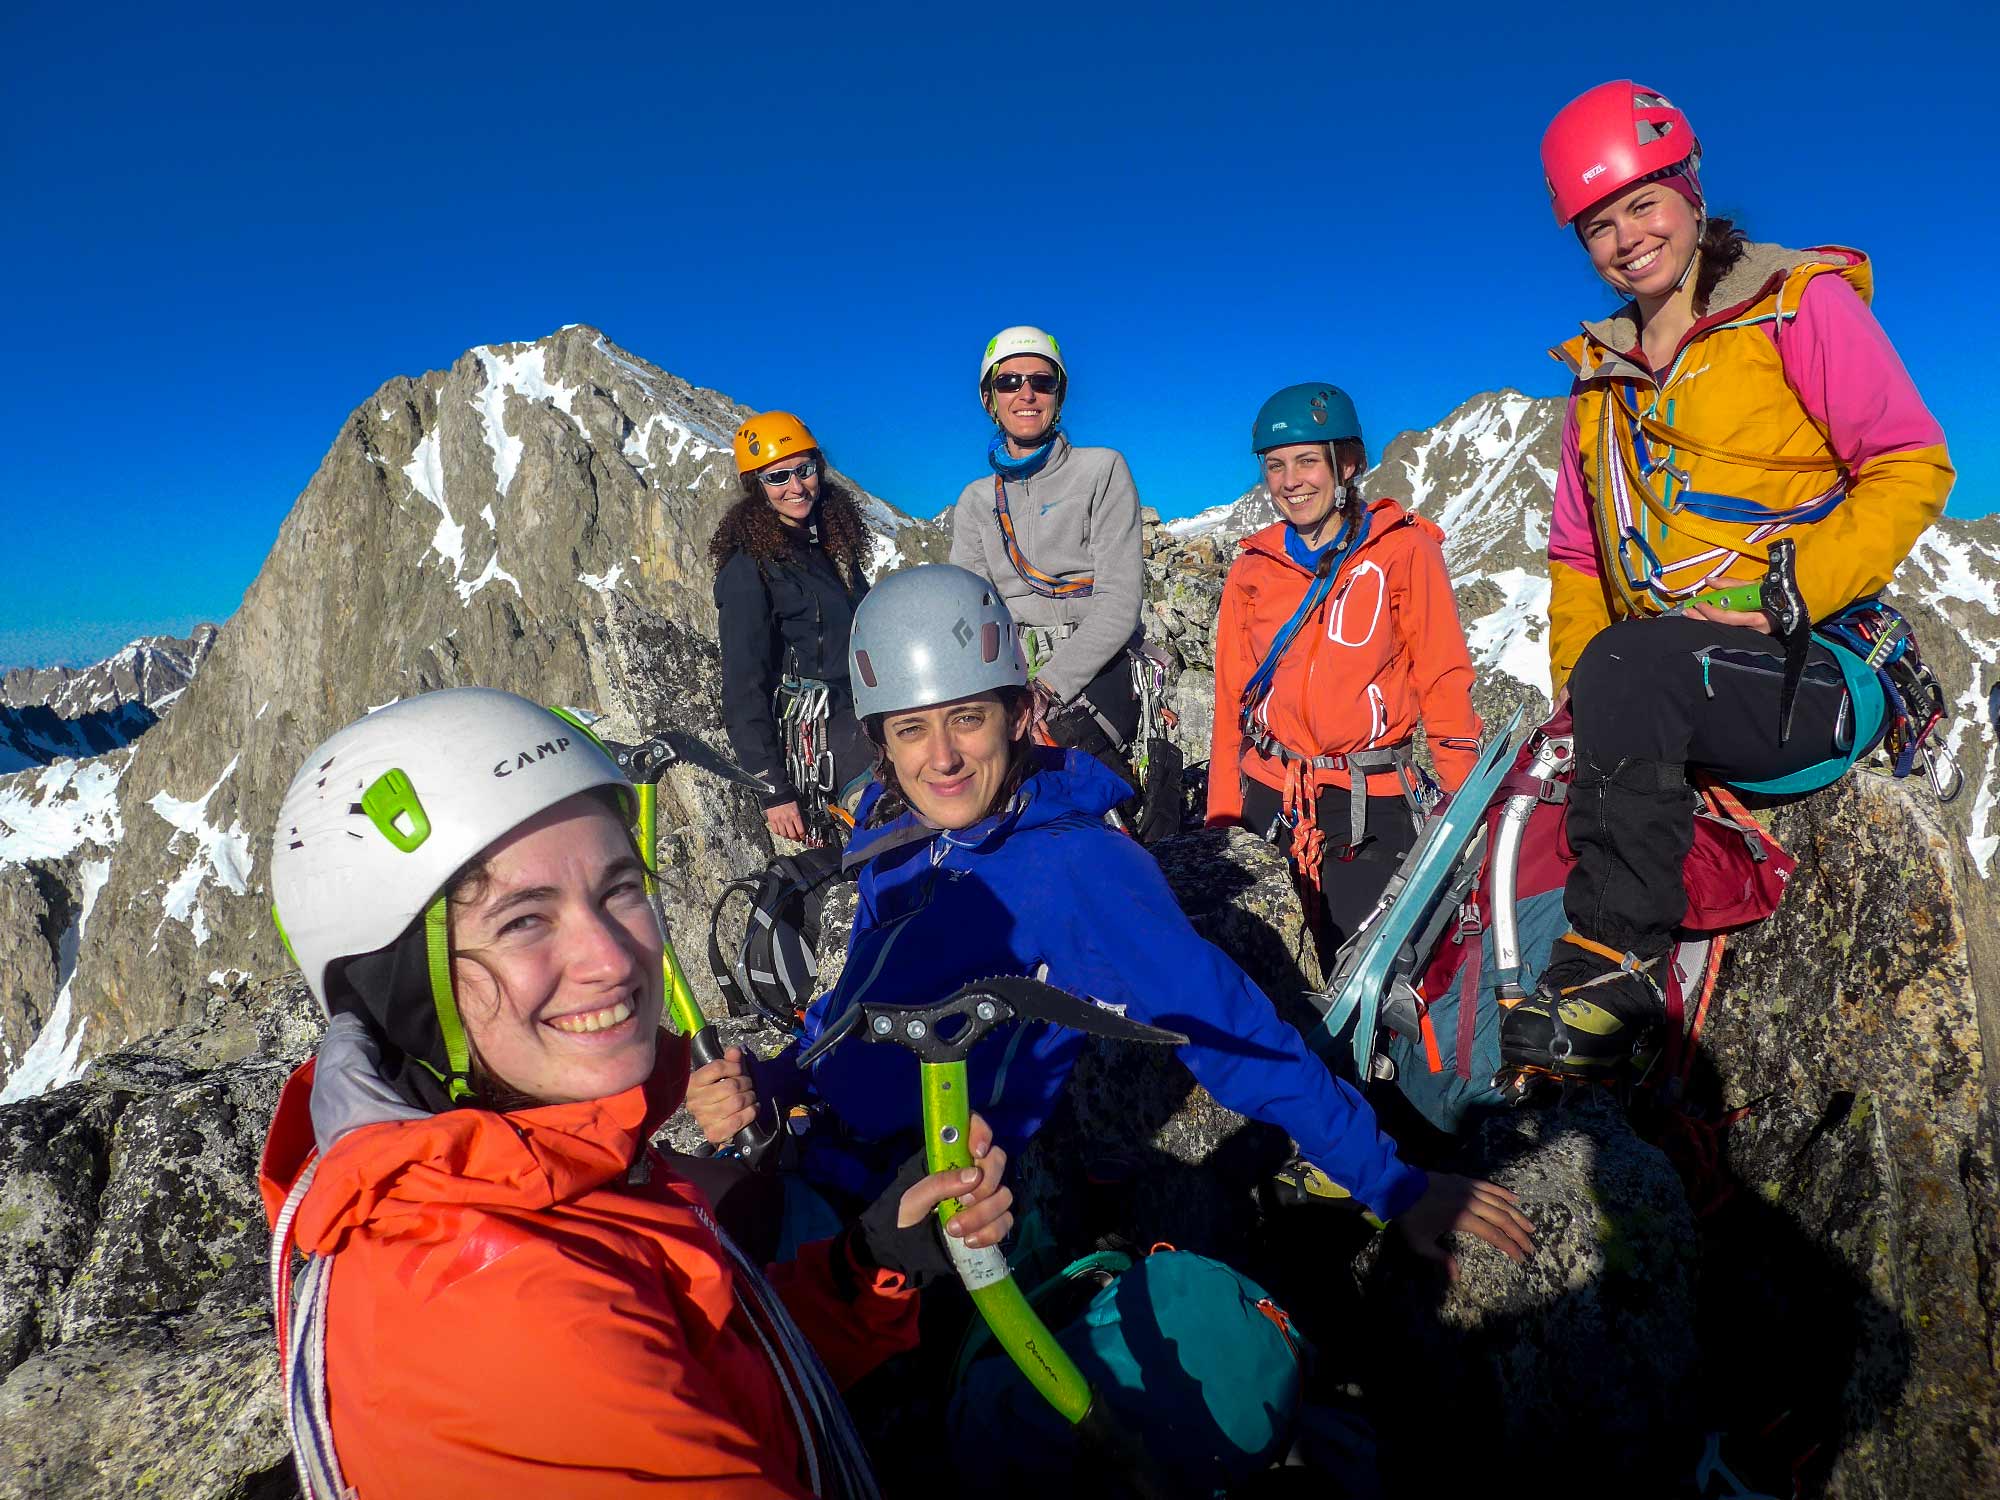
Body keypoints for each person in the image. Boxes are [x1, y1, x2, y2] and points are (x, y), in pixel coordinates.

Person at [258, 688, 1012, 1498]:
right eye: (523, 921)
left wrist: (867, 1265)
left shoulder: (527, 1173)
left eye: (619, 888)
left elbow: (710, 1375)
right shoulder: (518, 1320)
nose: (611, 959)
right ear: (402, 988)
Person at [687, 566, 1533, 1274]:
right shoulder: (900, 840)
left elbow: (1229, 1029)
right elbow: (861, 1007)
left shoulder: (1079, 868)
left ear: (1021, 717)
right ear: (884, 742)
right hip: (825, 1139)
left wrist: (1394, 1183)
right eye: (912, 731)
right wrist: (774, 1082)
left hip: (932, 1187)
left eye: (968, 718)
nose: (940, 757)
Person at [1498, 81, 1954, 1085]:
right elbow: (1577, 556)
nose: (1624, 239)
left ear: (1689, 188)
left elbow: (1909, 461)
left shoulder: (1793, 303)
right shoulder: (1598, 383)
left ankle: (1617, 962)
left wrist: (1781, 591)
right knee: (1567, 731)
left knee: (1630, 665)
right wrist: (1582, 690)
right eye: (1597, 225)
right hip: (1670, 673)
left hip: (1811, 660)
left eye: (1641, 204)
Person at [1208, 382, 1484, 952]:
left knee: (1361, 976)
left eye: (1308, 461)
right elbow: (1230, 698)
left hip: (1368, 799)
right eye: (1275, 465)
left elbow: (1443, 680)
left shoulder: (1404, 550)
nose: (1289, 481)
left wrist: (1464, 812)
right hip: (1271, 792)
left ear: (1348, 463)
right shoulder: (1253, 568)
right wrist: (1222, 816)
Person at [947, 326, 1158, 793]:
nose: (1026, 393)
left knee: (1074, 774)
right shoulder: (977, 501)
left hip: (1097, 661)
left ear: (1058, 396)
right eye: (1009, 382)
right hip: (1013, 668)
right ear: (990, 400)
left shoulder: (1102, 470)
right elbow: (969, 612)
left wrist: (1047, 689)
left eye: (1042, 382)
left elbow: (1119, 601)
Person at [713, 411, 875, 844]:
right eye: (778, 477)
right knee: (886, 797)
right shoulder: (749, 569)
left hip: (865, 704)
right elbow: (743, 685)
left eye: (804, 470)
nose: (796, 486)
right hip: (818, 727)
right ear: (757, 488)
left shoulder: (831, 549)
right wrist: (773, 790)